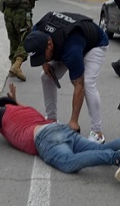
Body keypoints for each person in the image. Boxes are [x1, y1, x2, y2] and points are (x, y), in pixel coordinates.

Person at [23, 11, 110, 144]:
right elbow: (41, 50)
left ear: (49, 45)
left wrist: (73, 121)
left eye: (43, 56)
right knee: (46, 77)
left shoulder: (72, 49)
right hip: (65, 43)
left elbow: (79, 85)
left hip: (94, 44)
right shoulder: (37, 32)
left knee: (87, 82)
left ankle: (97, 132)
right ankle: (51, 120)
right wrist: (44, 63)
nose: (42, 60)